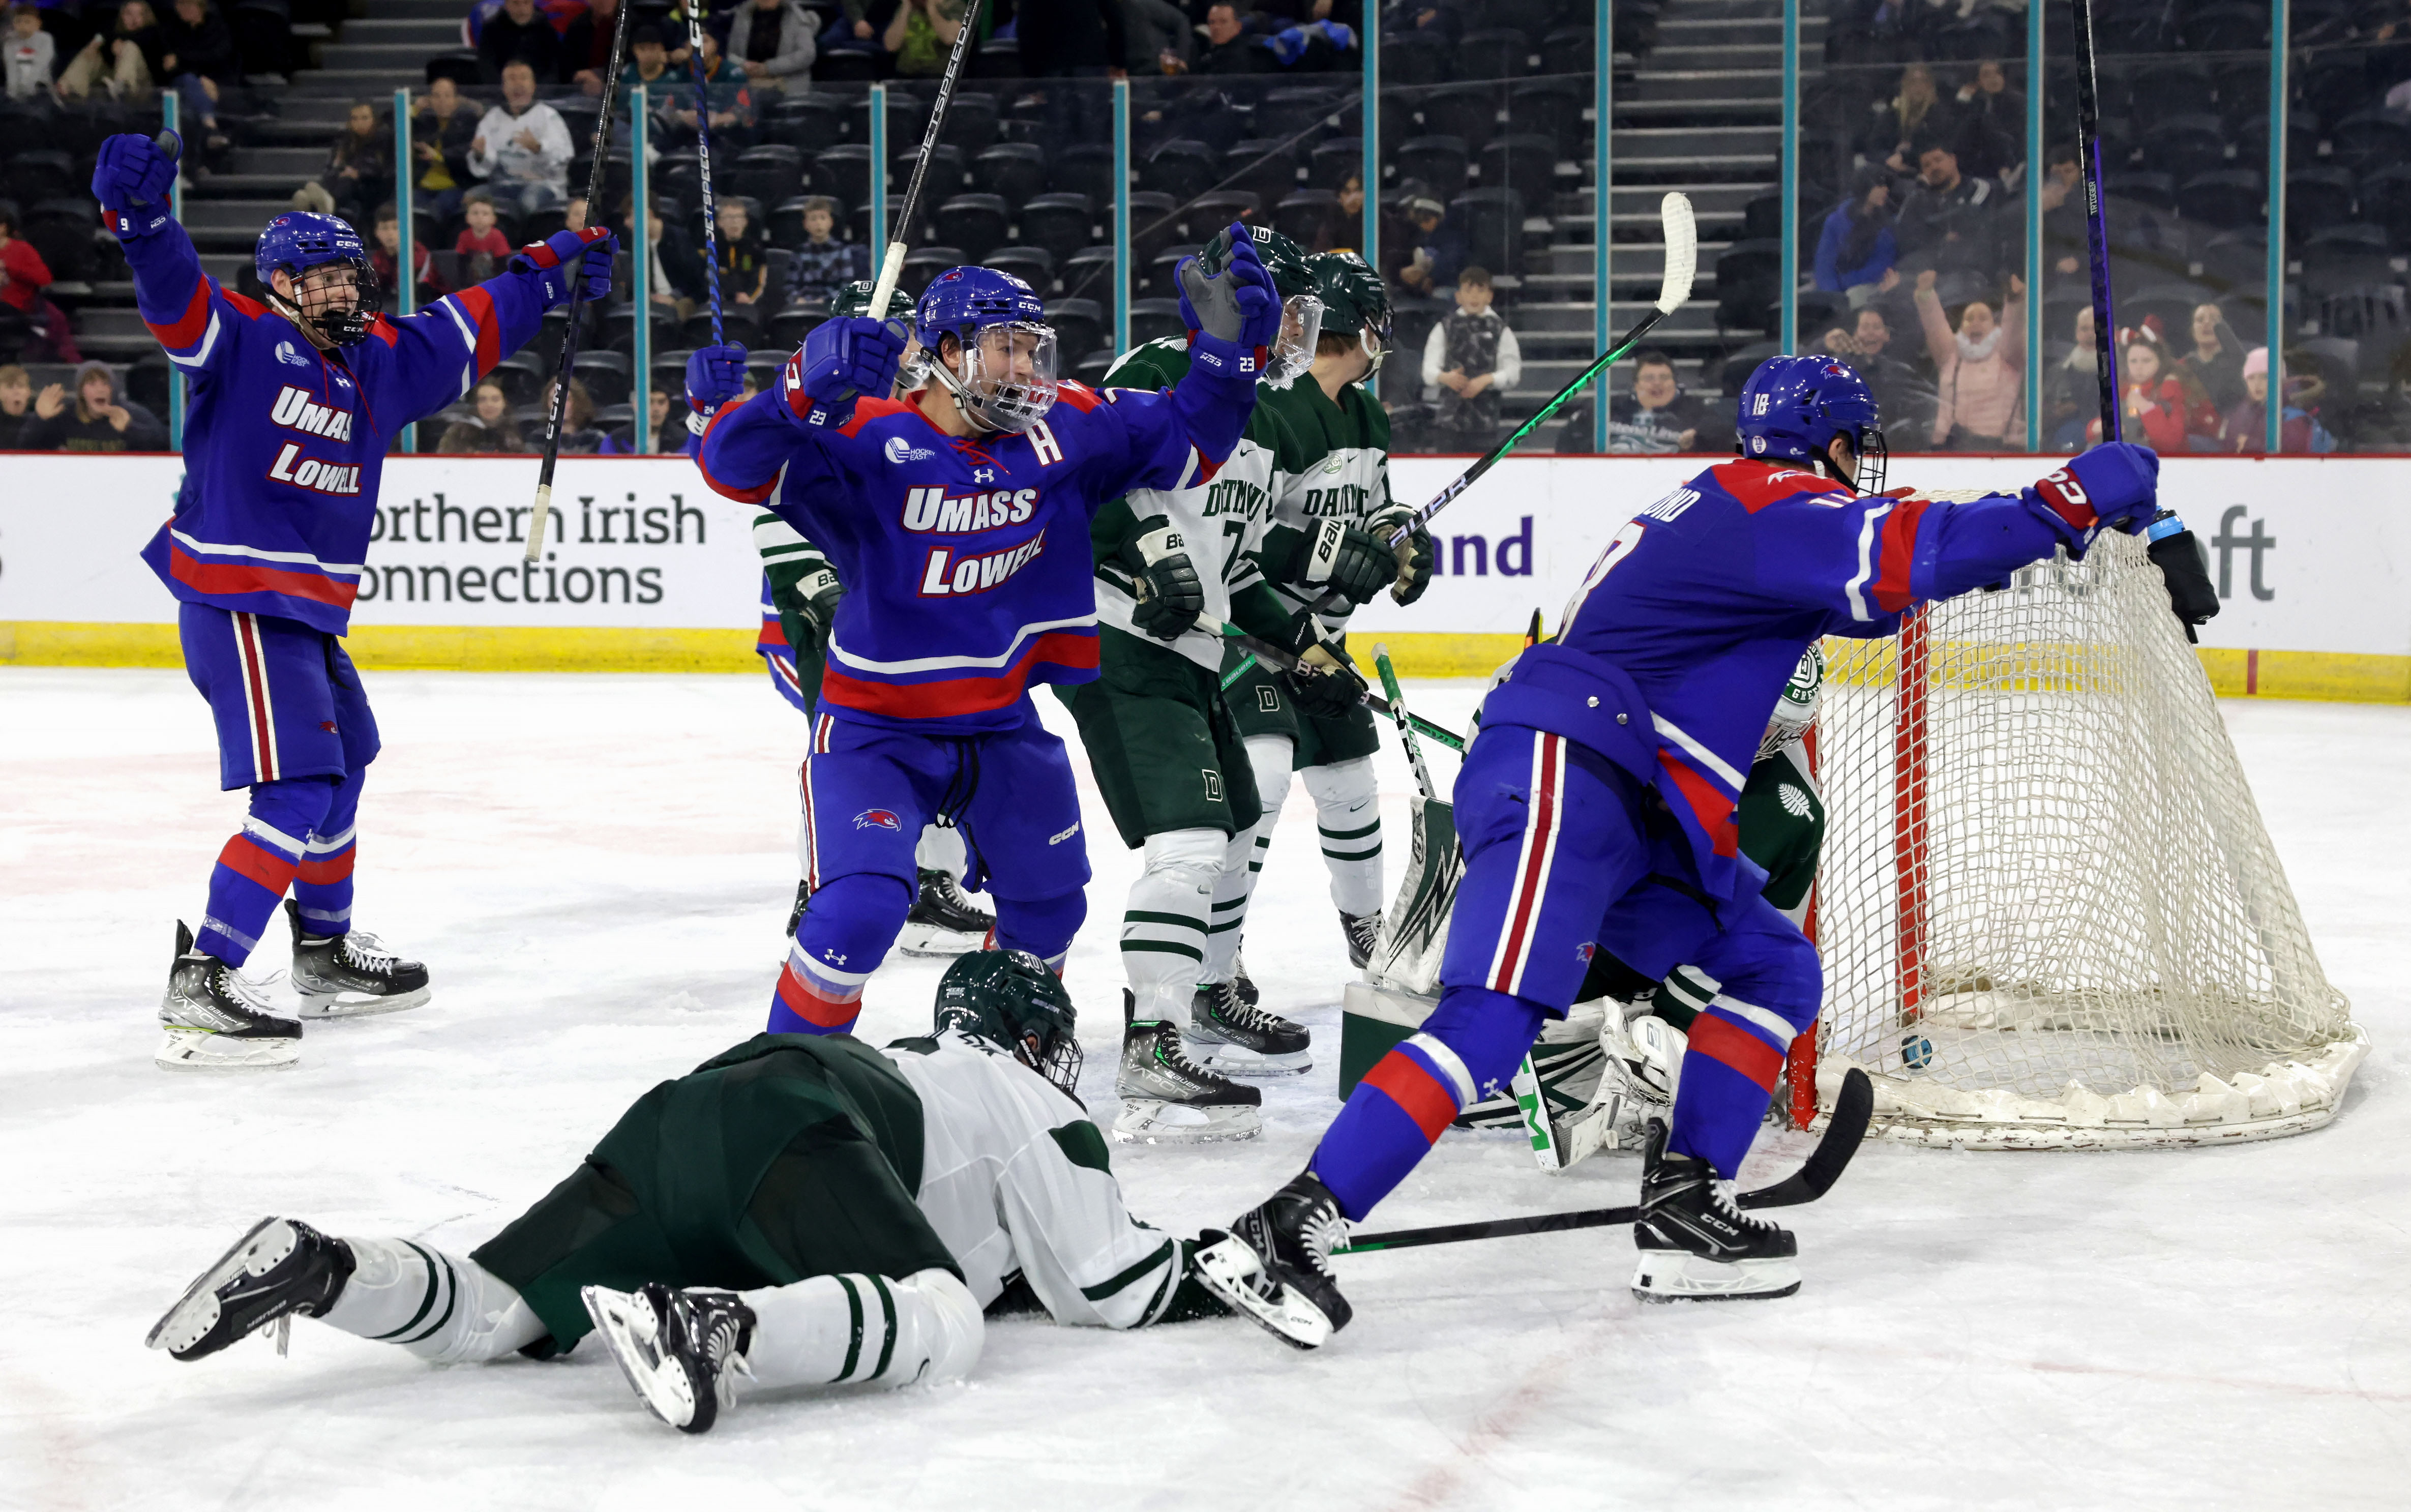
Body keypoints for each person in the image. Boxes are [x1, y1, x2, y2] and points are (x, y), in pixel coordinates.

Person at [1192, 359, 2165, 1346]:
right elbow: (1912, 549)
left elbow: (1897, 579)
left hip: (1633, 797)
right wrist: (2077, 493)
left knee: (1769, 967)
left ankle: (1685, 1206)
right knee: (1492, 1019)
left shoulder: (1746, 505)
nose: (1859, 467)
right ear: (1825, 440)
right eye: (1853, 446)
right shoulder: (1771, 500)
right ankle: (1289, 1226)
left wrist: (2114, 522)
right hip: (1569, 772)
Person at [146, 951, 1239, 1433]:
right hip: (801, 1124)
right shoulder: (1022, 1092)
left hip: (690, 1110)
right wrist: (1228, 1263)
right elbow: (1113, 1281)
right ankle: (721, 1330)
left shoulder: (930, 1062)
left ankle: (323, 1267)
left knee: (493, 1309)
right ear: (1034, 1040)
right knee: (942, 1319)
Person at [93, 129, 618, 1071]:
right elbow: (176, 300)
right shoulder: (240, 340)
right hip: (239, 600)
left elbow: (468, 320)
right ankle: (205, 975)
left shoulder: (376, 361)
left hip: (305, 615)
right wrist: (142, 223)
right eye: (321, 277)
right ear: (280, 287)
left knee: (349, 763)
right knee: (296, 786)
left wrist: (547, 272)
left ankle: (326, 950)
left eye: (349, 275)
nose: (342, 290)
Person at [689, 237, 1281, 1040]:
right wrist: (795, 391)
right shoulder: (867, 437)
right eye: (1007, 346)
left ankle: (1001, 1066)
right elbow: (729, 464)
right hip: (877, 731)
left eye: (1034, 347)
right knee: (858, 912)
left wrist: (1225, 360)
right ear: (946, 353)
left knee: (1049, 910)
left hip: (1001, 725)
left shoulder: (1065, 429)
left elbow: (1192, 445)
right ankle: (791, 1082)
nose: (1027, 366)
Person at [1077, 227, 1340, 1142]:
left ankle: (1207, 996)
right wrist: (1140, 550)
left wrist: (1308, 642)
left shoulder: (1266, 415)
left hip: (1188, 650)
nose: (1300, 331)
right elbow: (1079, 479)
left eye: (1303, 314)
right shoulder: (1157, 367)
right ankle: (1151, 1034)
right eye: (1287, 309)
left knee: (1230, 831)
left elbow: (1236, 567)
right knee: (1190, 842)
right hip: (1117, 638)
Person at [1203, 252, 1433, 1027]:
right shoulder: (1269, 406)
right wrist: (1331, 553)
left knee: (1347, 779)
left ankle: (1368, 930)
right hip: (1247, 624)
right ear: (1359, 327)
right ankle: (1215, 952)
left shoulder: (1367, 415)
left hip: (1320, 635)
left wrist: (1398, 541)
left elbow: (1374, 507)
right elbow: (1236, 535)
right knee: (1263, 776)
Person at [751, 279, 996, 961]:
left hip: (906, 608)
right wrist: (828, 595)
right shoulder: (826, 404)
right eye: (894, 327)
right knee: (846, 750)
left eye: (909, 329)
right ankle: (823, 883)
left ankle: (928, 884)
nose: (906, 342)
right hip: (826, 608)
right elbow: (778, 511)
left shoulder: (919, 408)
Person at [1914, 268, 2023, 450]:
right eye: (1969, 318)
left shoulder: (2008, 357)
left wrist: (2015, 301)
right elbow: (1935, 326)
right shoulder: (1951, 356)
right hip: (1952, 448)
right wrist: (1926, 295)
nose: (1975, 323)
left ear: (1994, 325)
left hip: (2002, 449)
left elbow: (2014, 330)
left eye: (1983, 318)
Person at [1421, 264, 1520, 453]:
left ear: (1490, 296)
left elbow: (1513, 373)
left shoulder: (1501, 330)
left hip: (1486, 423)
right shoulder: (1444, 327)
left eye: (1480, 291)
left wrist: (1487, 380)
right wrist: (1446, 378)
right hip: (1448, 424)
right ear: (1458, 296)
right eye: (1469, 290)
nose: (1474, 297)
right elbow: (1428, 370)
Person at [468, 58, 574, 218]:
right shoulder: (492, 119)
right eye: (512, 79)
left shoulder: (548, 116)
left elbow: (563, 159)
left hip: (543, 184)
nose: (518, 83)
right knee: (472, 197)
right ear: (504, 87)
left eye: (523, 78)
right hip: (503, 184)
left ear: (533, 85)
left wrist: (538, 148)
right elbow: (484, 170)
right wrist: (479, 155)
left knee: (528, 202)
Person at [1895, 140, 2000, 278]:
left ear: (1953, 160)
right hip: (1922, 277)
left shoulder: (1980, 188)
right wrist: (1942, 239)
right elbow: (1906, 239)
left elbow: (1975, 222)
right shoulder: (1916, 201)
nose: (1934, 167)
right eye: (1927, 165)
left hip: (1969, 276)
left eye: (1938, 160)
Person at [19, 360, 169, 451]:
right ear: (81, 391)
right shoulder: (64, 416)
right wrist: (40, 419)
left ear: (114, 389)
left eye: (105, 383)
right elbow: (23, 450)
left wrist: (130, 429)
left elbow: (165, 447)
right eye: (92, 384)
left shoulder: (133, 414)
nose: (100, 389)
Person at [2119, 322, 2219, 454]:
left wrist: (2145, 407)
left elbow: (2172, 443)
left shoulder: (2171, 388)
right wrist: (2099, 427)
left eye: (2146, 361)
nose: (2139, 367)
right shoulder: (2123, 389)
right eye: (2133, 361)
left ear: (2160, 361)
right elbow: (2095, 426)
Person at [0, 199, 80, 362]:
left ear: (4, 227)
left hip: (17, 308)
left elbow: (44, 278)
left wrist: (10, 268)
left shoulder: (21, 249)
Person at [290, 101, 392, 223]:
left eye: (365, 118)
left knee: (347, 181)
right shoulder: (344, 140)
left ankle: (327, 202)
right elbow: (331, 168)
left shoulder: (384, 138)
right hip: (343, 184)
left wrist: (359, 174)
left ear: (374, 119)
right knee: (337, 179)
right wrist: (340, 171)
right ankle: (312, 203)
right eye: (355, 119)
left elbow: (383, 170)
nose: (360, 123)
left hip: (370, 187)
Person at [2221, 346, 2334, 454]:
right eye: (2251, 378)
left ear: (2280, 380)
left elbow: (2290, 457)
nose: (2257, 384)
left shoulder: (2292, 416)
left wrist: (2248, 445)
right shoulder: (2247, 409)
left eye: (2265, 377)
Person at [1813, 168, 1899, 306]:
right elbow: (1824, 265)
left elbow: (1883, 265)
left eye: (1887, 186)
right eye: (1880, 185)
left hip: (1871, 290)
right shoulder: (1835, 222)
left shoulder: (1888, 224)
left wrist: (1846, 282)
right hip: (1837, 292)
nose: (1886, 190)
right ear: (1865, 187)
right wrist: (1833, 296)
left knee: (1856, 295)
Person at [159, 0, 236, 148]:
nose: (182, 9)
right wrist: (200, 78)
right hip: (181, 83)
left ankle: (201, 162)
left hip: (214, 83)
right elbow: (169, 66)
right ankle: (211, 127)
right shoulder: (171, 30)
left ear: (200, 7)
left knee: (189, 111)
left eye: (187, 5)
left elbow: (218, 57)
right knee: (189, 82)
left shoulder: (217, 29)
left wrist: (182, 60)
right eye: (179, 5)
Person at [55, 0, 164, 103]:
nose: (134, 19)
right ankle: (68, 89)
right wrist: (99, 42)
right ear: (122, 16)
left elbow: (141, 38)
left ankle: (123, 87)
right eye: (129, 14)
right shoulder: (113, 34)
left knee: (130, 47)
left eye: (139, 15)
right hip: (112, 82)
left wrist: (113, 40)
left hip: (143, 88)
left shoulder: (153, 32)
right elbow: (103, 34)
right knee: (92, 52)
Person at [1600, 348, 1704, 454]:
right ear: (1636, 385)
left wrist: (1698, 435)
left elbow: (1716, 430)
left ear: (1675, 383)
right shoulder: (1613, 409)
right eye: (1649, 378)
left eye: (1664, 377)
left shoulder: (1695, 411)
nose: (1657, 383)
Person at [409, 75, 480, 230]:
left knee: (437, 209)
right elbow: (397, 134)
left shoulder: (468, 121)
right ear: (429, 100)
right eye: (436, 96)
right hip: (422, 185)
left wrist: (440, 156)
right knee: (403, 207)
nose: (442, 101)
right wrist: (414, 109)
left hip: (455, 185)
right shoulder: (424, 121)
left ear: (456, 100)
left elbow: (467, 150)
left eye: (447, 96)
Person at [784, 196, 868, 306]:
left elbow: (846, 285)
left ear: (831, 222)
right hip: (803, 305)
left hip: (832, 305)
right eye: (813, 219)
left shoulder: (842, 251)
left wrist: (825, 300)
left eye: (823, 218)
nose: (818, 223)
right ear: (806, 224)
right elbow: (790, 285)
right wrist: (797, 299)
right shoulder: (799, 252)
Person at [729, 0, 816, 91]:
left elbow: (807, 55)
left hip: (787, 86)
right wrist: (744, 64)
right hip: (748, 84)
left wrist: (768, 68)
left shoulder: (797, 17)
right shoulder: (743, 15)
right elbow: (731, 54)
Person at [1391, 189, 1464, 295]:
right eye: (1419, 221)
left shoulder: (1453, 235)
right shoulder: (1416, 234)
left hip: (1450, 285)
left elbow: (1451, 261)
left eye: (1427, 220)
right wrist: (1403, 273)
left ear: (1439, 217)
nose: (1423, 225)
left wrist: (1432, 278)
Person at [2179, 301, 2246, 413]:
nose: (2207, 323)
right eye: (2200, 320)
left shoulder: (2241, 363)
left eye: (2214, 320)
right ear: (2192, 330)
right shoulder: (2182, 367)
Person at [368, 201, 436, 305]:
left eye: (396, 228)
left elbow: (422, 292)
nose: (390, 233)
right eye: (384, 228)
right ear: (376, 232)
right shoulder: (378, 257)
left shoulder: (419, 254)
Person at [476, 0, 559, 84]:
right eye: (516, 3)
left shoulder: (544, 28)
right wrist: (503, 90)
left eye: (526, 3)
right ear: (506, 4)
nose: (522, 10)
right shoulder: (491, 29)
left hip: (542, 92)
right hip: (501, 92)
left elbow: (555, 66)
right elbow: (487, 67)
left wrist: (538, 91)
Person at [711, 196, 768, 308]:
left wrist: (749, 297)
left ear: (745, 222)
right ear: (720, 222)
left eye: (739, 217)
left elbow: (759, 282)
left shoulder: (755, 250)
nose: (735, 222)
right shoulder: (713, 249)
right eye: (729, 218)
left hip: (749, 303)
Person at [884, 0, 964, 77]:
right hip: (905, 77)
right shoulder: (905, 9)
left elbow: (950, 39)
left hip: (940, 77)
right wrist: (906, 7)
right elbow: (891, 46)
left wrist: (931, 7)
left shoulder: (953, 6)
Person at [557, 0, 621, 92]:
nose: (604, 2)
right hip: (580, 92)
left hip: (620, 91)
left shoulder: (629, 26)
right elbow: (564, 68)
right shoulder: (578, 26)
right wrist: (578, 75)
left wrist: (600, 77)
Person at [5, 3, 55, 99]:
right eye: (18, 22)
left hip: (40, 87)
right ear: (13, 24)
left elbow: (40, 65)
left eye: (27, 22)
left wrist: (28, 88)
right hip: (16, 90)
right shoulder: (10, 42)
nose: (22, 25)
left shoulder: (45, 40)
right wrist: (12, 93)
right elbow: (11, 68)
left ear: (38, 24)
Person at [454, 188, 513, 268]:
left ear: (493, 219)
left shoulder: (498, 236)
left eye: (485, 214)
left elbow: (502, 263)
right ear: (467, 218)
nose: (480, 217)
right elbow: (462, 263)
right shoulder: (464, 236)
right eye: (475, 213)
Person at [0, 361, 32, 447]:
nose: (16, 392)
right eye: (10, 387)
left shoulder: (40, 423)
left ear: (29, 392)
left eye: (21, 386)